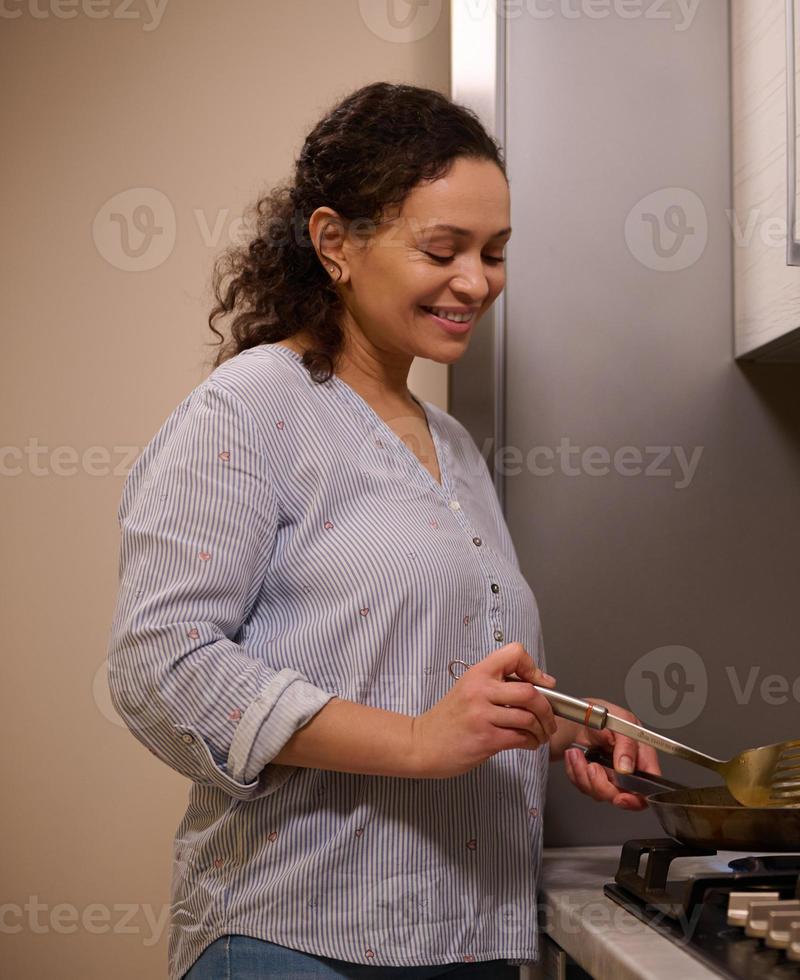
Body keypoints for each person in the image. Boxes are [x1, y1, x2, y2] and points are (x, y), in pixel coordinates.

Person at [105, 81, 657, 980]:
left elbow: (422, 672)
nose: (476, 282)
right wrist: (410, 745)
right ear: (335, 244)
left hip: (469, 936)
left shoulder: (452, 447)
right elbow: (160, 664)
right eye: (443, 248)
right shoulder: (249, 410)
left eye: (495, 251)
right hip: (296, 938)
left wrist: (562, 726)